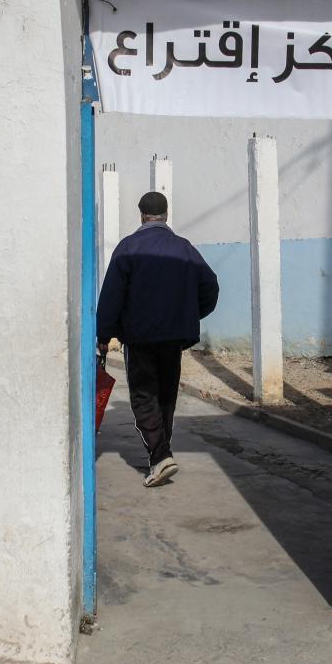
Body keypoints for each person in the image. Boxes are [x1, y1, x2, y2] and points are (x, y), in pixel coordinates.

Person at [97, 191, 219, 487]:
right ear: (166, 214)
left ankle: (160, 455)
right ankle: (161, 454)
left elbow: (112, 296)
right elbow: (210, 287)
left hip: (140, 337)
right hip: (174, 337)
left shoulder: (128, 249)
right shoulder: (184, 249)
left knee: (143, 395)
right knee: (166, 393)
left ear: (141, 215)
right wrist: (188, 316)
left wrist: (104, 334)